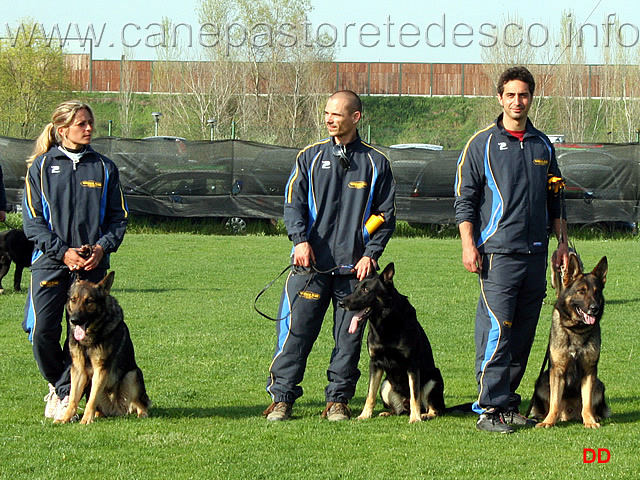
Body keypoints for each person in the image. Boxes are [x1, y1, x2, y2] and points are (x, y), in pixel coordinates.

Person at [263, 90, 396, 421]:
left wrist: (371, 253)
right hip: (311, 268)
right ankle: (282, 398)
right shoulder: (308, 157)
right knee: (296, 335)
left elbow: (385, 215)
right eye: (327, 113)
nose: (329, 119)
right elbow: (292, 205)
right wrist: (299, 241)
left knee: (348, 343)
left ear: (355, 118)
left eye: (336, 114)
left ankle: (338, 401)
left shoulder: (376, 163)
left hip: (354, 276)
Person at [454, 66, 569, 433]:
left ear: (531, 98)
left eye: (524, 95)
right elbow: (465, 200)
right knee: (498, 331)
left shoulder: (542, 144)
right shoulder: (481, 143)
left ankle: (507, 402)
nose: (517, 101)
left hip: (536, 255)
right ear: (500, 98)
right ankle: (489, 408)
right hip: (496, 255)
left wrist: (562, 245)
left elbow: (557, 198)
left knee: (522, 334)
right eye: (511, 95)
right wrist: (468, 244)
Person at [22, 100, 129, 421]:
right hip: (51, 262)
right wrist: (61, 251)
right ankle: (64, 387)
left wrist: (101, 248)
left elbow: (119, 218)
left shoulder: (105, 168)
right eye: (81, 123)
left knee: (96, 336)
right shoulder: (40, 167)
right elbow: (32, 221)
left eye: (90, 123)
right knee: (41, 331)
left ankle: (98, 396)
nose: (89, 128)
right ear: (62, 129)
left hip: (92, 267)